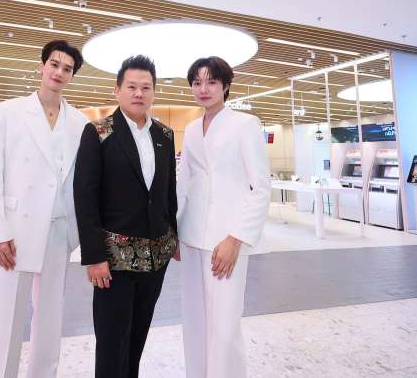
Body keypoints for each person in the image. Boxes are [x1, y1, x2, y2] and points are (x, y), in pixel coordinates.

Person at [0, 40, 89, 378]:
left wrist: (75, 233)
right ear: (41, 66)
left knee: (51, 317)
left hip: (58, 228)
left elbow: (78, 179)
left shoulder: (79, 121)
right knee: (5, 316)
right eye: (54, 64)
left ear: (72, 76)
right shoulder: (10, 111)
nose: (59, 72)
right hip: (17, 229)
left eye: (67, 69)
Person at [74, 55, 178, 378]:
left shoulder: (165, 135)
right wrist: (94, 256)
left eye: (146, 87)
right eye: (131, 86)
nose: (138, 93)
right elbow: (85, 197)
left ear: (154, 92)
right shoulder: (98, 132)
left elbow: (168, 191)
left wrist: (173, 235)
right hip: (113, 260)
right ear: (117, 90)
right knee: (111, 344)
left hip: (156, 257)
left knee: (136, 339)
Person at [177, 56, 271, 378]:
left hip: (226, 239)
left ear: (226, 86)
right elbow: (184, 183)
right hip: (191, 236)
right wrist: (175, 231)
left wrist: (236, 238)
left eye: (211, 82)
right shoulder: (191, 129)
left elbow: (261, 187)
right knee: (195, 320)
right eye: (197, 82)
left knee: (225, 326)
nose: (203, 89)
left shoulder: (245, 124)